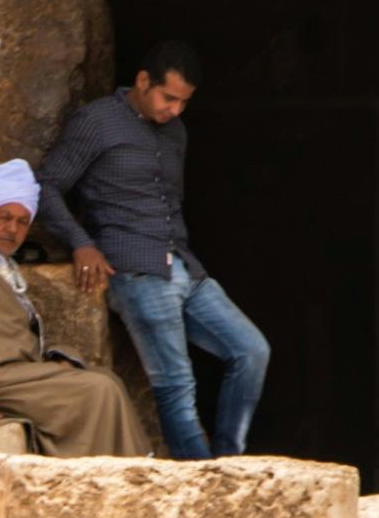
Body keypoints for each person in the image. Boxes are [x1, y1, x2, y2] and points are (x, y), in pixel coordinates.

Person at [34, 39, 271, 461]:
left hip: (184, 266)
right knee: (176, 383)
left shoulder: (175, 131)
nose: (175, 110)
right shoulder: (97, 121)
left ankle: (230, 462)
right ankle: (200, 479)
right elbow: (47, 185)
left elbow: (169, 202)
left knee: (252, 350)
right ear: (143, 81)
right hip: (134, 267)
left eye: (184, 102)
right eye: (168, 97)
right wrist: (81, 243)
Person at [0, 160, 150, 458]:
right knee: (99, 391)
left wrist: (55, 362)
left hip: (16, 376)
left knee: (107, 379)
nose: (13, 229)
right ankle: (111, 481)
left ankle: (117, 478)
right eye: (4, 217)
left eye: (23, 221)